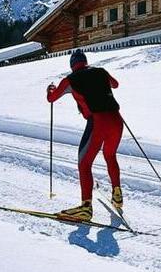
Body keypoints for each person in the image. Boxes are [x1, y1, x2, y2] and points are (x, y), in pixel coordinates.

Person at [47, 49, 124, 221]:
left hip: (97, 122)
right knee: (110, 155)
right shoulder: (100, 71)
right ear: (85, 61)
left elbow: (52, 98)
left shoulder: (70, 80)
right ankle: (117, 194)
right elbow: (115, 84)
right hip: (116, 120)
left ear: (72, 65)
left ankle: (86, 207)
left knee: (84, 163)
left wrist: (50, 89)